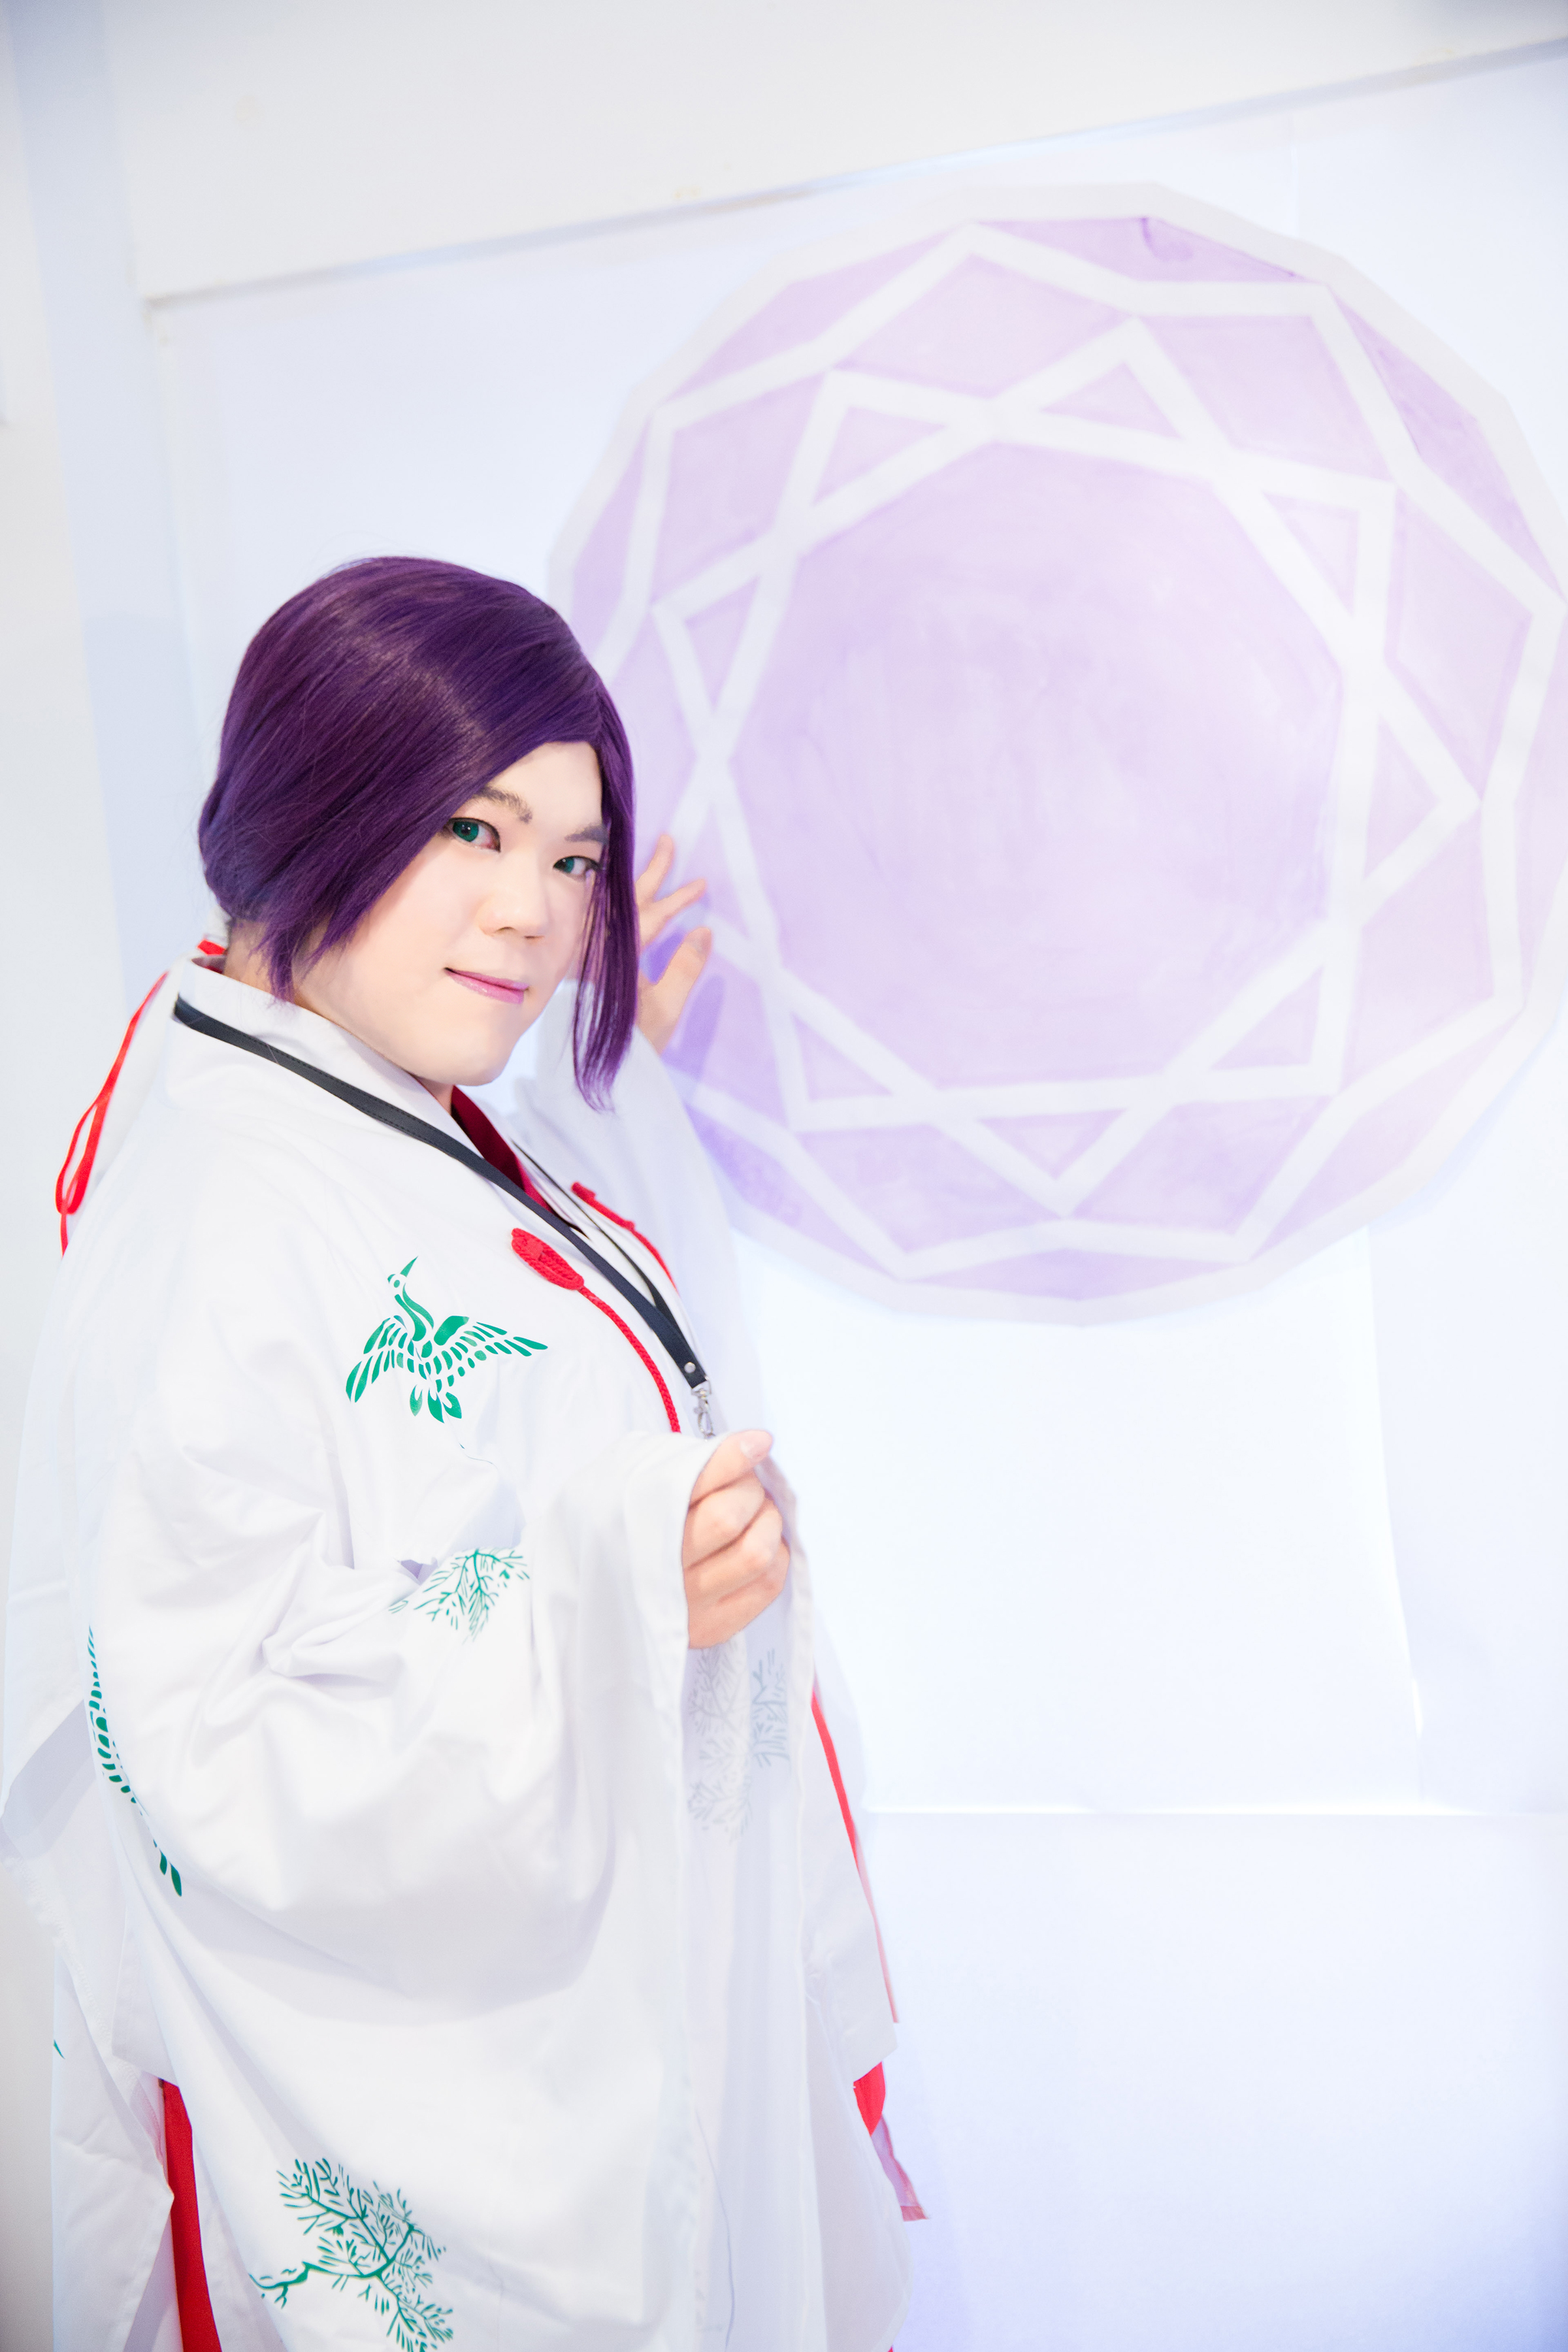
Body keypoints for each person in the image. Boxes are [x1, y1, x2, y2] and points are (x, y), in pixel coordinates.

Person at [1, 559, 917, 2351]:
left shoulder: (354, 1094)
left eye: (573, 859)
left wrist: (606, 1090)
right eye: (473, 832)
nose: (536, 916)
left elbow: (503, 1328)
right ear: (310, 801)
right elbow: (205, 1741)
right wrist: (608, 1601)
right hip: (454, 2141)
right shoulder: (229, 1214)